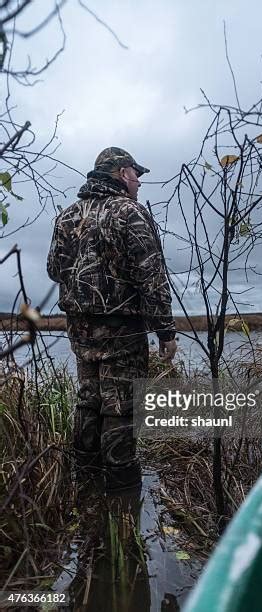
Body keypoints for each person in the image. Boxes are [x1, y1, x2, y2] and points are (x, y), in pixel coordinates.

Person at [47, 147, 177, 492]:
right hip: (122, 331)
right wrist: (165, 331)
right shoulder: (131, 212)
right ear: (122, 173)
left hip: (80, 330)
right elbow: (151, 275)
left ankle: (85, 485)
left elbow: (53, 269)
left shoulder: (68, 215)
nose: (139, 181)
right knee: (120, 407)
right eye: (137, 174)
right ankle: (121, 497)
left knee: (88, 400)